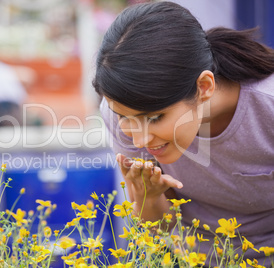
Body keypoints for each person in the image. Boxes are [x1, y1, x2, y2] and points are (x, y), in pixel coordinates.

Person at [93, 1, 274, 266]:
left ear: (204, 86)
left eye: (154, 118)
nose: (140, 140)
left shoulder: (267, 107)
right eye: (124, 118)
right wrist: (148, 197)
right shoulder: (118, 108)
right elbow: (157, 230)